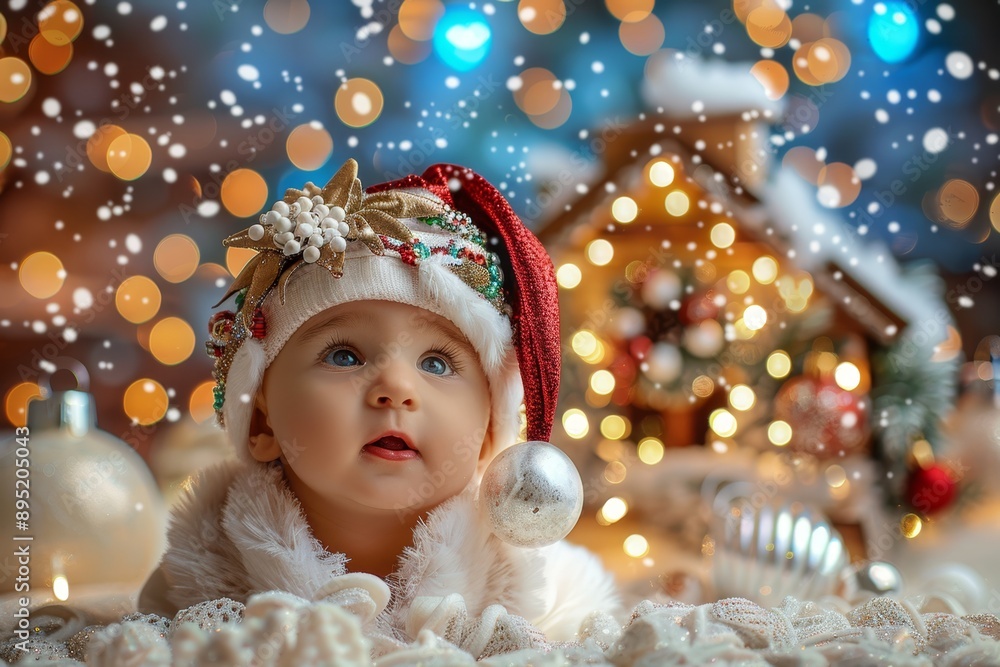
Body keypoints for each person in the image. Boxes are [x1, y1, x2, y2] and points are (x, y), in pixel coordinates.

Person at [138, 159, 621, 658]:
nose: (396, 388)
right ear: (262, 422)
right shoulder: (198, 603)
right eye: (344, 356)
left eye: (436, 363)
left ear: (488, 435)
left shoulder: (552, 607)